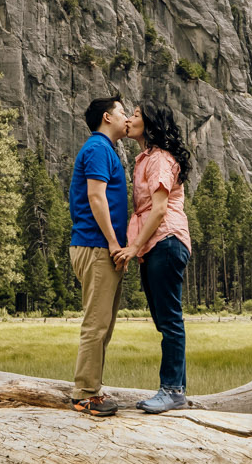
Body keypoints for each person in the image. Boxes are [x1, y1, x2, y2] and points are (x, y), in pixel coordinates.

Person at [67, 95, 131, 416]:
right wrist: (113, 243)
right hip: (96, 247)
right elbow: (96, 197)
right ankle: (85, 395)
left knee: (103, 324)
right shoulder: (96, 149)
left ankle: (93, 389)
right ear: (107, 117)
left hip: (101, 248)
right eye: (122, 112)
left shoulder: (104, 150)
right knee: (96, 324)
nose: (127, 117)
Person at [127, 103, 192, 413]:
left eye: (135, 115)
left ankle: (173, 390)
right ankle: (172, 388)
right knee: (164, 320)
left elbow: (160, 209)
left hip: (165, 238)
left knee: (170, 320)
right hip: (156, 244)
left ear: (150, 124)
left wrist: (132, 246)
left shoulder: (160, 160)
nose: (128, 119)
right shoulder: (146, 159)